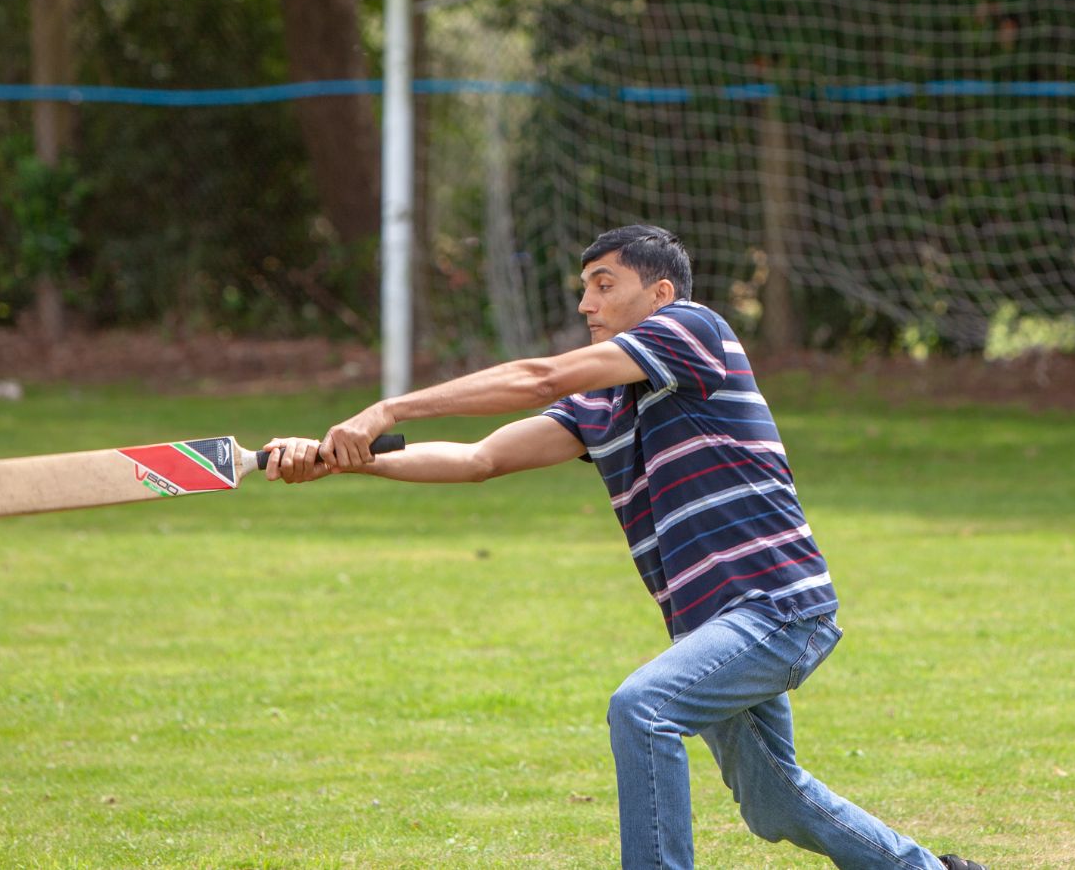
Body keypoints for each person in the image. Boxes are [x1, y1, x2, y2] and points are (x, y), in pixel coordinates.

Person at [264, 224, 986, 870]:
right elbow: (479, 458)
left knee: (642, 707)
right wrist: (343, 458)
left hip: (776, 607)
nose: (587, 304)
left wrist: (391, 407)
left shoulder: (692, 329)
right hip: (713, 625)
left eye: (604, 285)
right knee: (776, 804)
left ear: (660, 292)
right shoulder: (600, 405)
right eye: (584, 287)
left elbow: (536, 376)